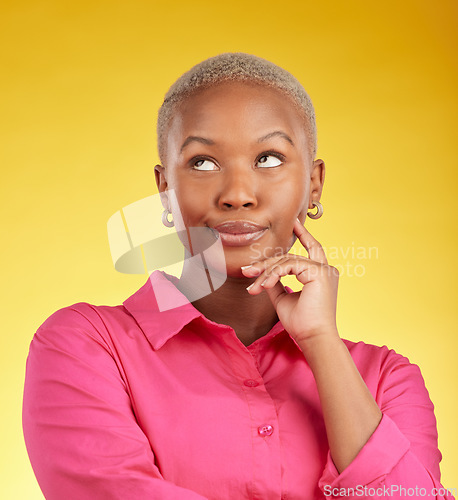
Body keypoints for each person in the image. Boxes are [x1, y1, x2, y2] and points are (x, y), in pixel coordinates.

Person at [22, 52, 453, 499]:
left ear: (314, 184)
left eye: (268, 158)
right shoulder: (86, 347)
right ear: (165, 190)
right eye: (203, 163)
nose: (238, 195)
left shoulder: (385, 379)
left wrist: (322, 343)